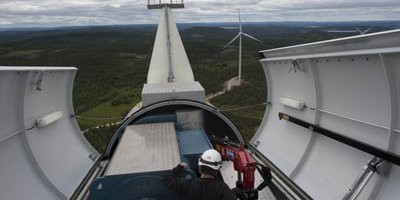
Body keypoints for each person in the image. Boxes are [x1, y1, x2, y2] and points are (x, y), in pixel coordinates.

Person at [163, 149, 237, 200]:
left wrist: (179, 167)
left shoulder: (187, 185)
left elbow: (167, 178)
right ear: (217, 170)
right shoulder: (222, 188)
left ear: (200, 167)